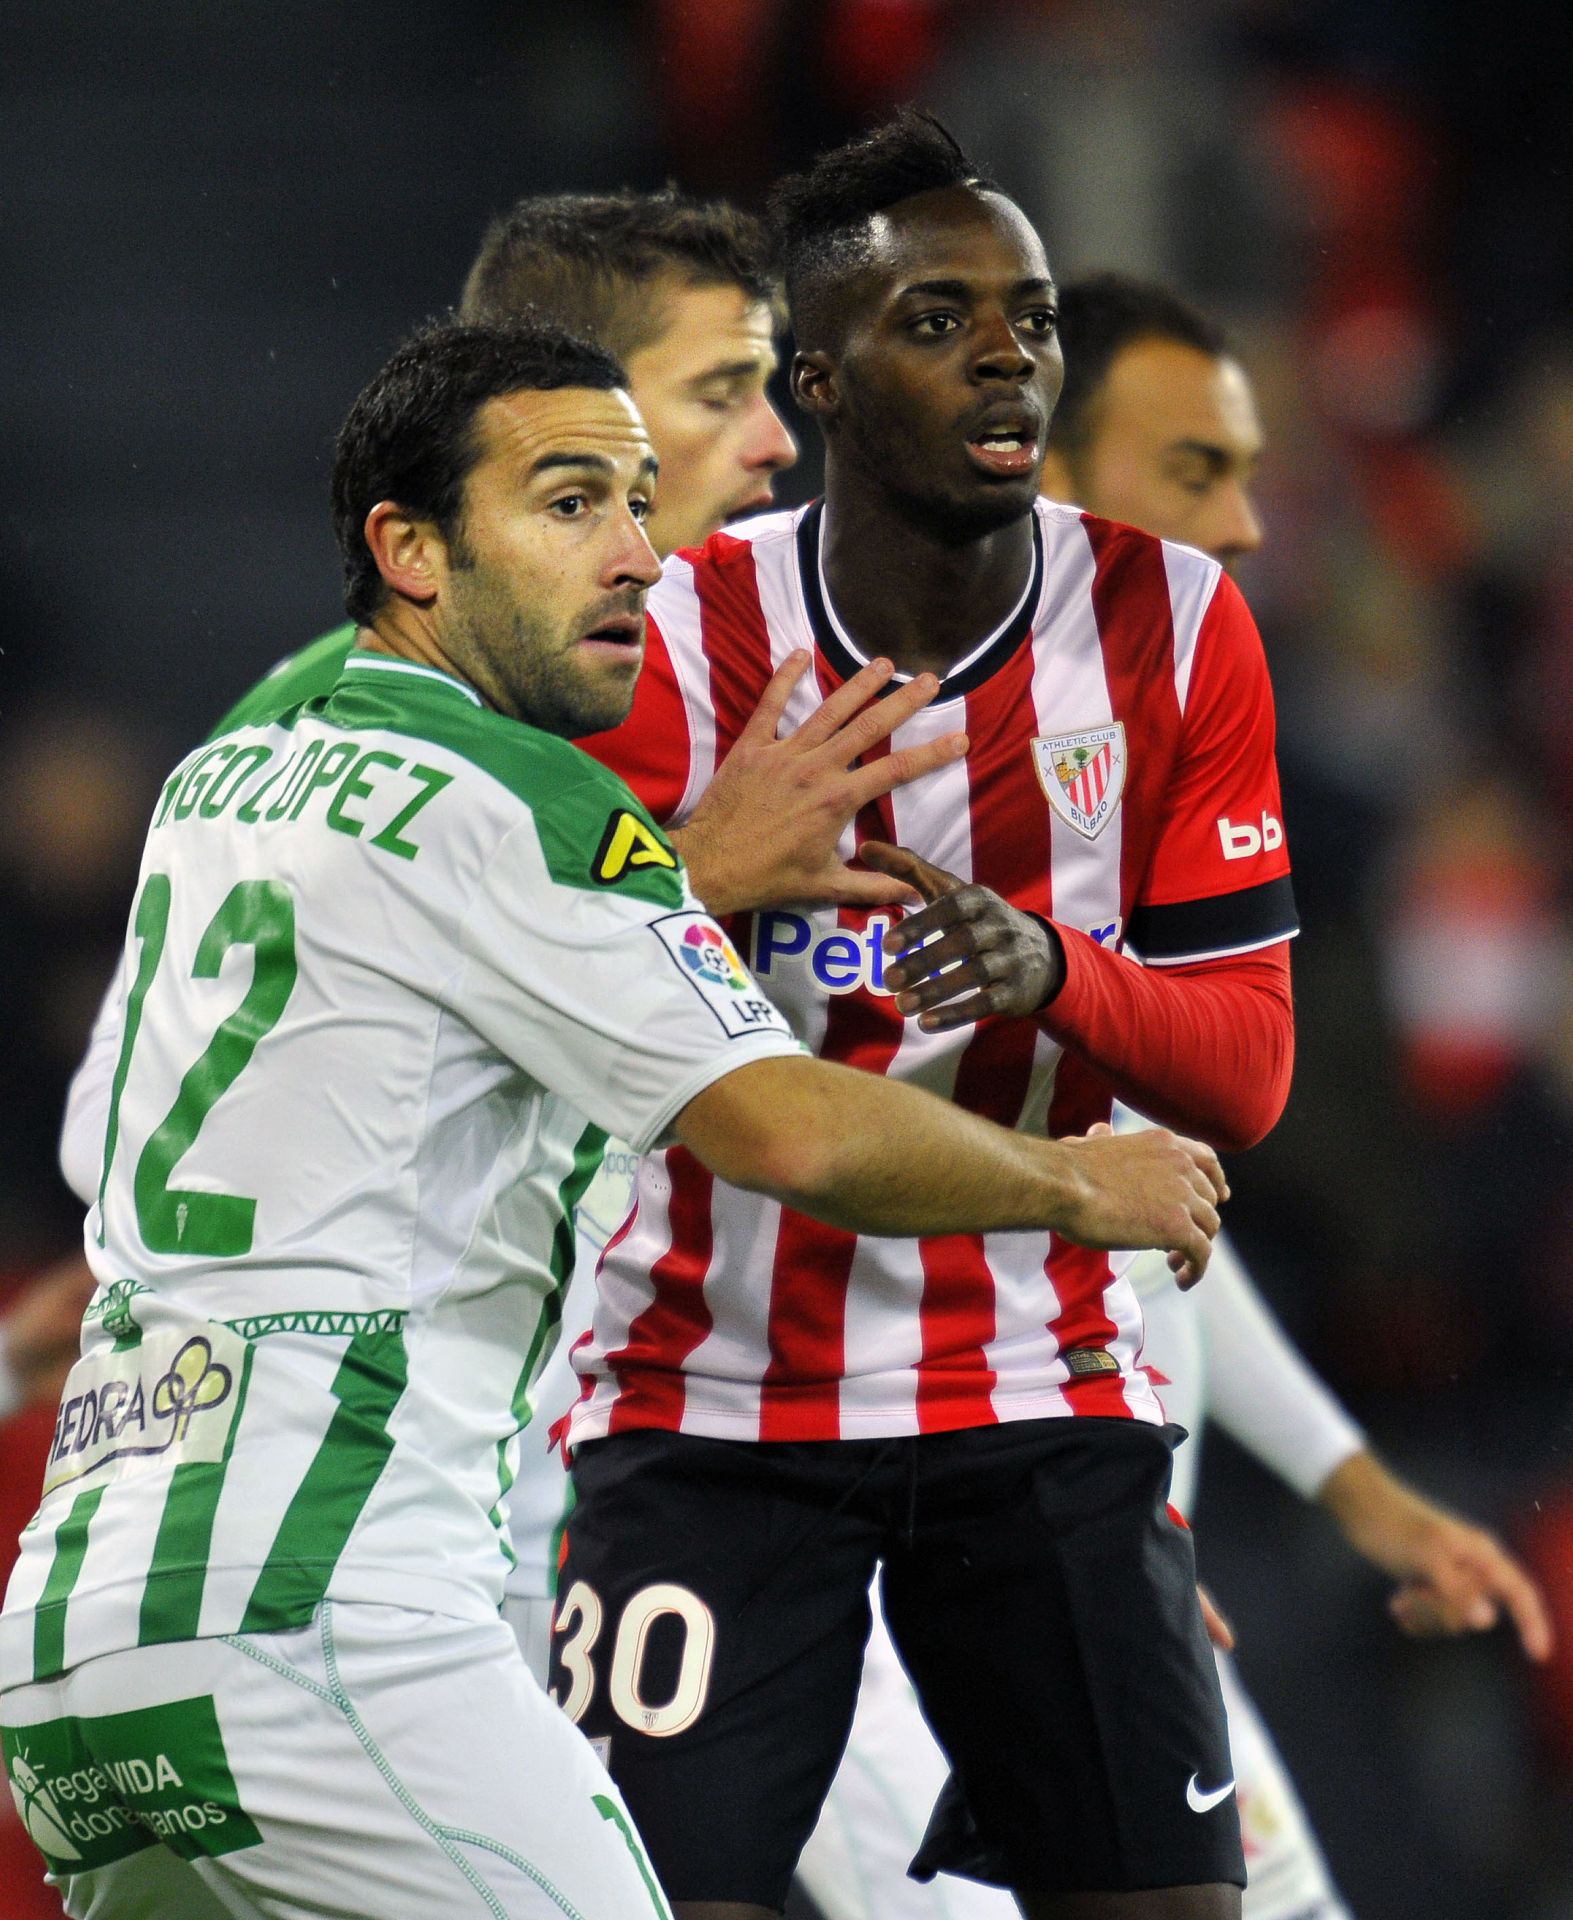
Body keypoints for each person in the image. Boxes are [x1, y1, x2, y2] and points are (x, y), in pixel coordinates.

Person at [0, 317, 1225, 1920]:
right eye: (572, 502)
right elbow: (789, 1130)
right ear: (410, 549)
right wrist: (1078, 1183)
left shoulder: (224, 778)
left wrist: (682, 877)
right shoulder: (525, 798)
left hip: (83, 1638)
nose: (641, 556)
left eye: (642, 503)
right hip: (327, 1617)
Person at [548, 111, 1299, 1920]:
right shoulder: (672, 632)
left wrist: (1060, 973)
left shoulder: (1175, 628)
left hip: (1043, 1394)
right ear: (814, 378)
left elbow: (1248, 1072)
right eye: (938, 315)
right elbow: (568, 1012)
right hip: (714, 1407)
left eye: (1030, 318)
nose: (1002, 355)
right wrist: (707, 869)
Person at [799, 270, 1557, 1920]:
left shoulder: (1160, 743)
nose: (1255, 525)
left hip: (1092, 1537)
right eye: (1196, 471)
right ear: (1042, 473)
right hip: (902, 1552)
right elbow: (808, 1165)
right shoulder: (880, 763)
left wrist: (1346, 1491)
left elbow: (1157, 1208)